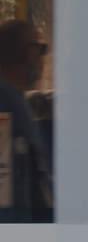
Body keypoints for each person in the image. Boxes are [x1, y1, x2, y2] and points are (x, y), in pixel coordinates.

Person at [0, 19, 53, 222]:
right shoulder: (6, 103)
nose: (43, 58)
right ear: (28, 52)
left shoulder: (15, 100)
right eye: (41, 49)